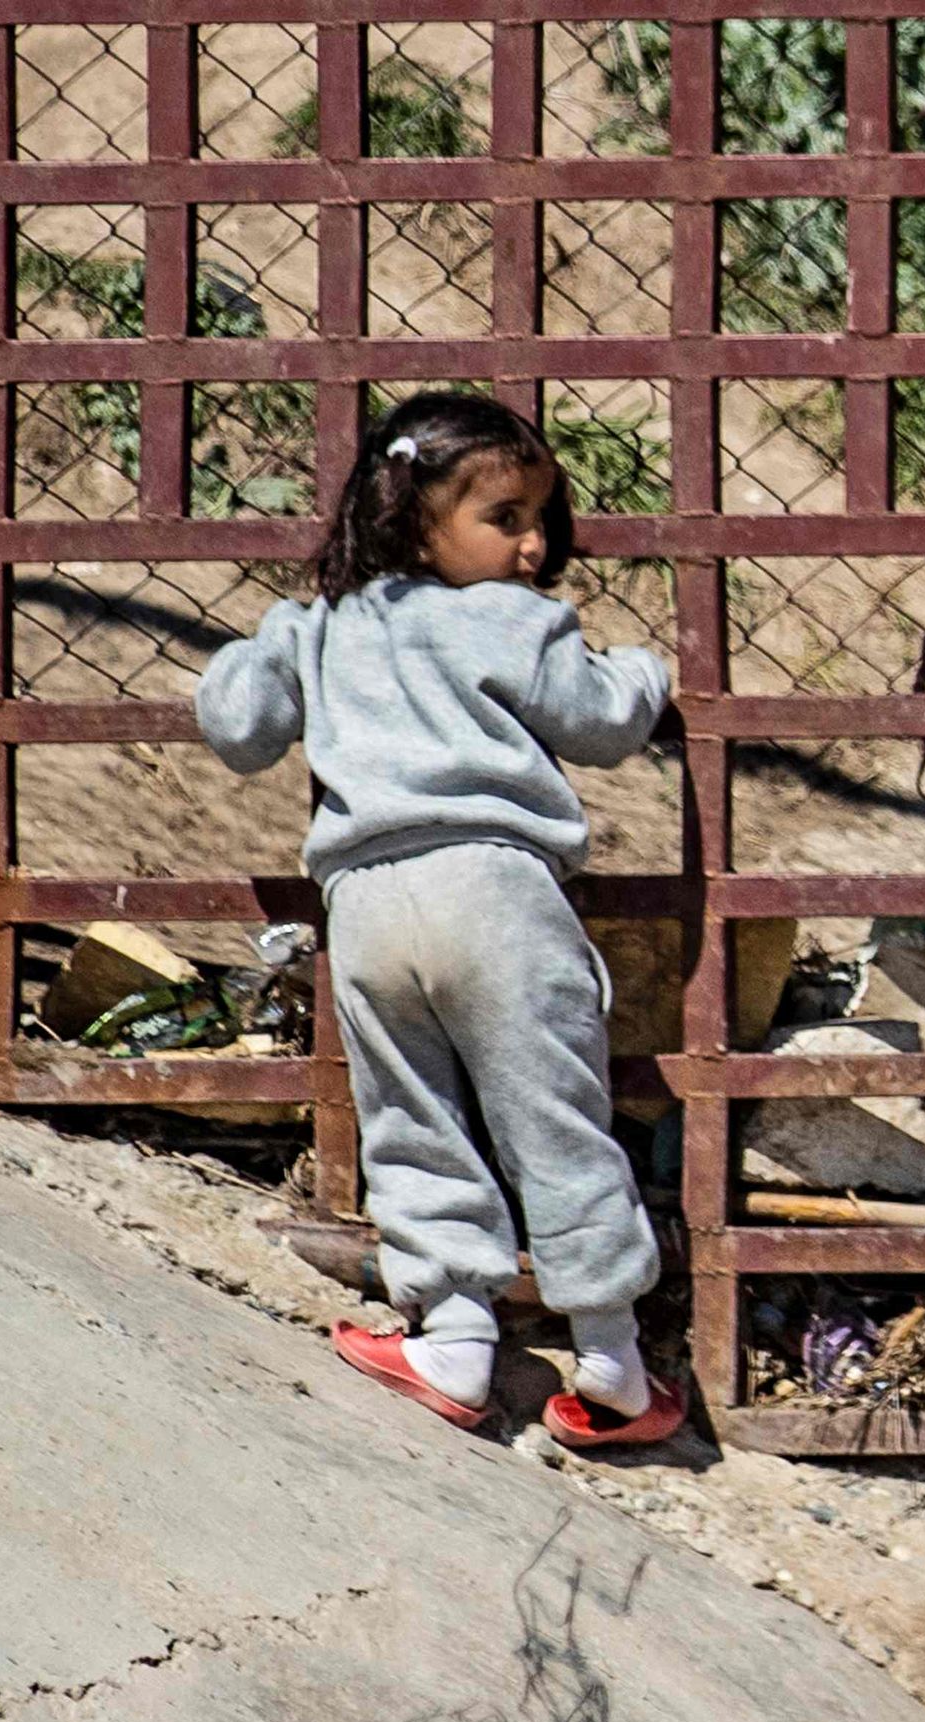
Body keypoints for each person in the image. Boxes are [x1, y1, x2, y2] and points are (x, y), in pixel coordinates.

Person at [197, 389, 684, 1449]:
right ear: (414, 514)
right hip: (495, 894)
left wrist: (280, 638)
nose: (534, 543)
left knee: (410, 1116)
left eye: (538, 519)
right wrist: (647, 673)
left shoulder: (324, 628)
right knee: (553, 1116)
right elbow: (601, 726)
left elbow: (235, 726)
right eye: (505, 518)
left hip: (366, 906)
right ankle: (612, 1361)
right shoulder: (519, 621)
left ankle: (451, 1340)